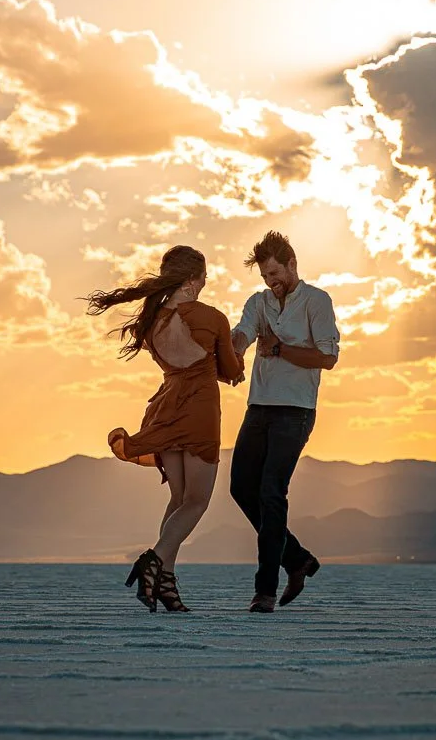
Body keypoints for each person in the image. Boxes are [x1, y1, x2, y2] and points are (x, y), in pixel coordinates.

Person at [85, 245, 243, 613]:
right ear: (192, 280)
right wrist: (240, 351)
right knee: (197, 501)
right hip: (200, 410)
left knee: (177, 499)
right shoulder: (212, 317)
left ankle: (166, 585)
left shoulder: (150, 319)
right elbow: (229, 372)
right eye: (203, 277)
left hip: (166, 407)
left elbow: (186, 362)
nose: (205, 283)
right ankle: (152, 561)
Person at [230, 231, 339, 613]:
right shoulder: (258, 303)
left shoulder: (316, 301)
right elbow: (243, 331)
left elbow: (327, 358)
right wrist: (236, 349)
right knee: (241, 487)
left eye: (274, 273)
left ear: (292, 264)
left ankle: (265, 591)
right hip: (258, 407)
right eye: (264, 276)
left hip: (295, 411)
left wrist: (278, 348)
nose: (269, 282)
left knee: (271, 493)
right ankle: (297, 560)